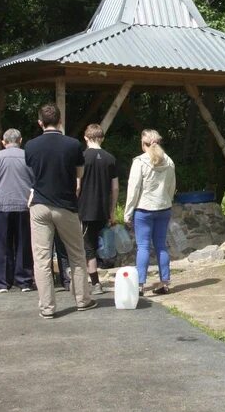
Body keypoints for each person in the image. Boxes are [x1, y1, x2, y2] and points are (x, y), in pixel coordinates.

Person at [23, 103, 96, 318]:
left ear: (40, 123)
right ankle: (83, 299)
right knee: (76, 254)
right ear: (60, 121)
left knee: (42, 258)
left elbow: (32, 173)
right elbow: (79, 174)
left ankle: (47, 308)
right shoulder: (73, 145)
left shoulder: (31, 146)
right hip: (66, 206)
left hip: (39, 205)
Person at [0, 128, 35, 293]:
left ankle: (3, 283)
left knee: (2, 243)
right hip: (24, 204)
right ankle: (24, 281)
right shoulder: (28, 156)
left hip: (1, 205)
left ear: (4, 142)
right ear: (20, 140)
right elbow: (35, 180)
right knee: (23, 243)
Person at [124, 129, 176, 296]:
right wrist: (167, 201)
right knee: (161, 246)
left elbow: (133, 189)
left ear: (142, 143)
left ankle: (140, 285)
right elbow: (171, 187)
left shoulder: (139, 162)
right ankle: (165, 282)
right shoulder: (169, 161)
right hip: (163, 208)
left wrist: (127, 212)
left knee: (143, 247)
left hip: (144, 209)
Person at [77, 124, 119, 294]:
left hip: (85, 209)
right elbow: (115, 187)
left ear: (86, 138)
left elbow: (77, 185)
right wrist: (112, 210)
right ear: (102, 138)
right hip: (102, 209)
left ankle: (95, 283)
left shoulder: (81, 157)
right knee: (95, 244)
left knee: (89, 247)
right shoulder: (110, 158)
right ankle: (93, 280)